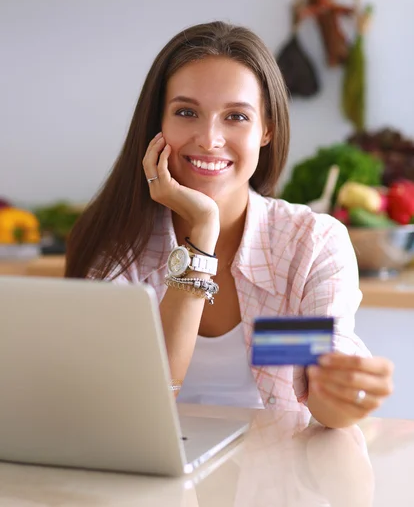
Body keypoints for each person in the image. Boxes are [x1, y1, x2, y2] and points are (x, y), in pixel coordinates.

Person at [65, 21, 394, 428]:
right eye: (186, 112)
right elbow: (136, 403)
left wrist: (346, 392)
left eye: (236, 116)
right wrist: (203, 233)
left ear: (267, 129)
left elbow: (324, 405)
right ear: (158, 124)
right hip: (148, 474)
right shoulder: (117, 245)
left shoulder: (309, 244)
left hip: (276, 479)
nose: (208, 138)